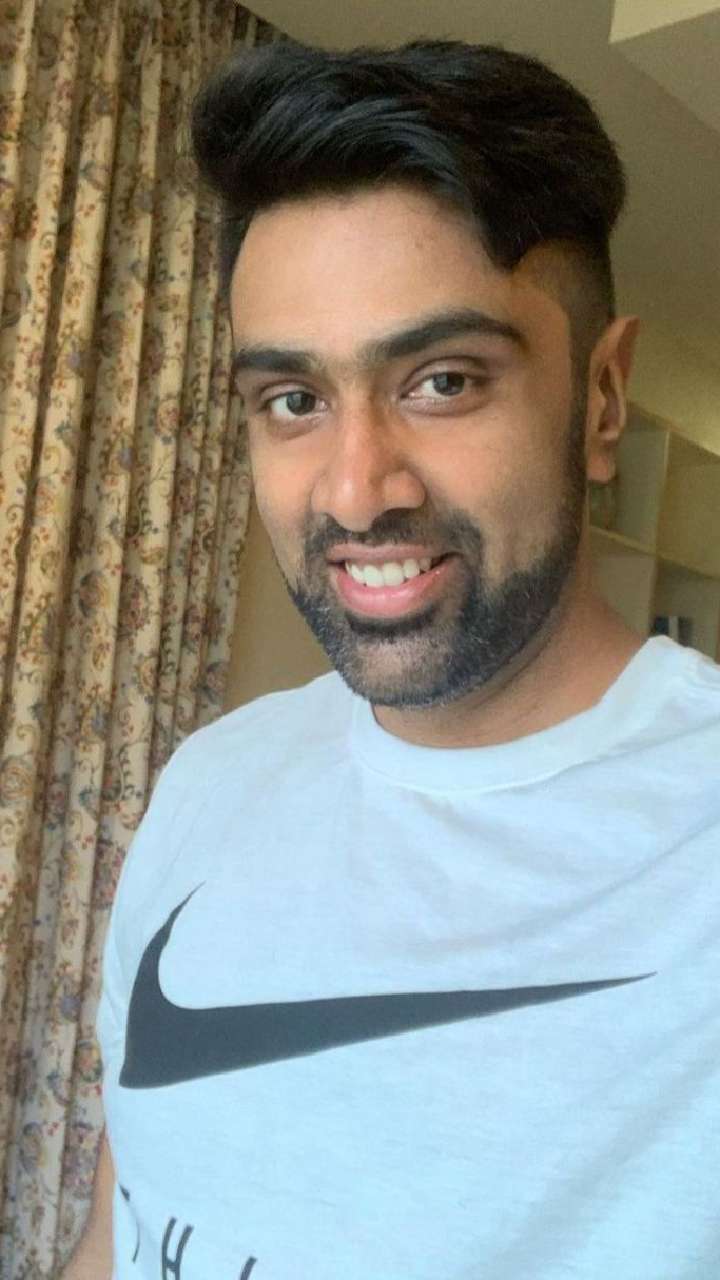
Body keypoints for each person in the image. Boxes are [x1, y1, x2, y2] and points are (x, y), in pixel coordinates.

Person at [64, 38, 720, 1280]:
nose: (357, 492)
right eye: (294, 400)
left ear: (602, 399)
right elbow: (118, 1232)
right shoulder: (211, 780)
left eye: (442, 380)